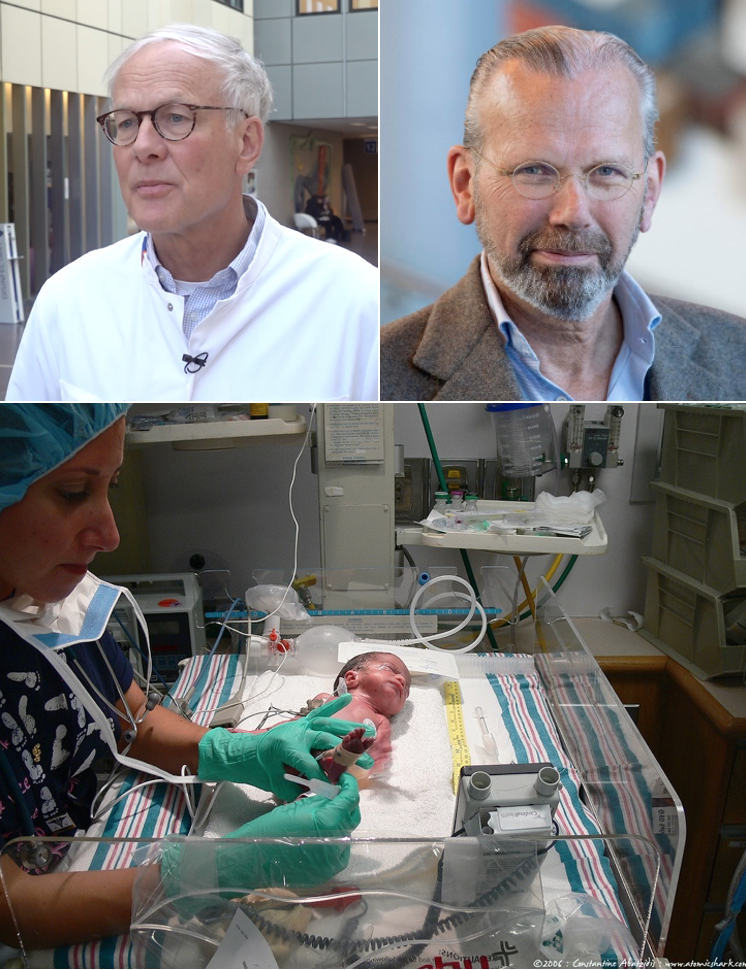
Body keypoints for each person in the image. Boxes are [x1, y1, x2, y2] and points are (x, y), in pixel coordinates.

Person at [0, 404, 373, 949]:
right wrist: (205, 874)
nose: (110, 534)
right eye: (74, 491)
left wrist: (242, 751)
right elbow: (12, 908)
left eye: (111, 486)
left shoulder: (50, 604)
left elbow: (134, 724)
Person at [6, 25, 378, 403]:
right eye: (128, 122)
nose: (144, 147)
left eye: (176, 118)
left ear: (246, 143)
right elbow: (28, 455)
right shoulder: (69, 300)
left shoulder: (357, 302)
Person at [380, 25, 746, 403]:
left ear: (649, 192)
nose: (573, 213)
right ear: (464, 185)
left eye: (606, 172)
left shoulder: (738, 357)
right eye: (535, 171)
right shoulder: (371, 377)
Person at [314, 651, 411, 772]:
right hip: (307, 740)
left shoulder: (381, 721)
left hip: (340, 759)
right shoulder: (327, 698)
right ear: (352, 678)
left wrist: (378, 757)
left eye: (406, 690)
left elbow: (381, 747)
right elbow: (302, 719)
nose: (402, 680)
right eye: (389, 669)